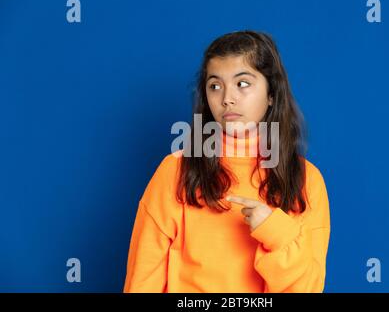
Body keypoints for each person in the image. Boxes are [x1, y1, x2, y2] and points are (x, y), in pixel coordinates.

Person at [123, 30, 330, 293]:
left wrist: (276, 232)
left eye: (242, 83)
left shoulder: (306, 180)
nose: (227, 98)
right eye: (215, 86)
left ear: (271, 94)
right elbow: (142, 280)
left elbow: (308, 288)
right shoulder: (175, 170)